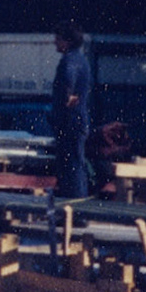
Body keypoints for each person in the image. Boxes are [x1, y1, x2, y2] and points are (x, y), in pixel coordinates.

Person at [49, 22, 94, 199]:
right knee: (74, 167)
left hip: (70, 123)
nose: (55, 43)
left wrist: (67, 96)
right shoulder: (81, 59)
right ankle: (73, 209)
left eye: (58, 39)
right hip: (74, 122)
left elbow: (68, 76)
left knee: (71, 169)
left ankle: (75, 212)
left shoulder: (70, 60)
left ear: (67, 41)